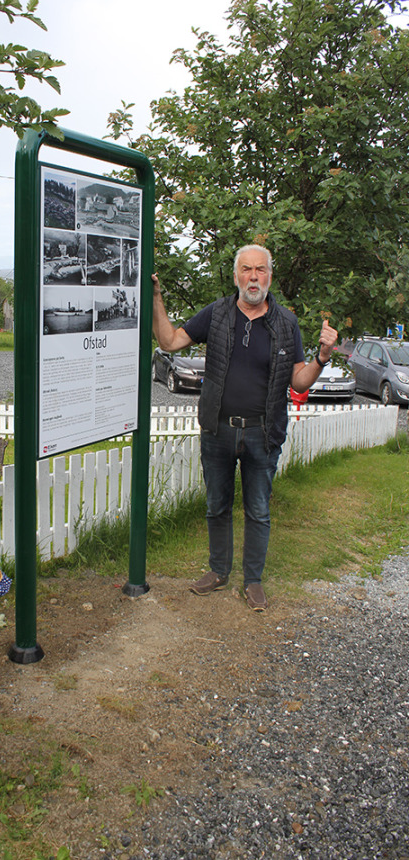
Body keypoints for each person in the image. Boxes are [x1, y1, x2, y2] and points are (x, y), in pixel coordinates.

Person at [152, 245, 338, 612]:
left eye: (261, 270)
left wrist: (321, 358)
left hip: (262, 434)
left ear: (270, 275)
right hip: (218, 431)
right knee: (216, 506)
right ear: (237, 275)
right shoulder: (217, 314)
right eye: (247, 270)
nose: (254, 277)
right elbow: (169, 341)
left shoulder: (285, 323)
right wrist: (157, 297)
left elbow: (299, 382)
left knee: (258, 510)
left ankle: (253, 582)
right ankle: (218, 572)